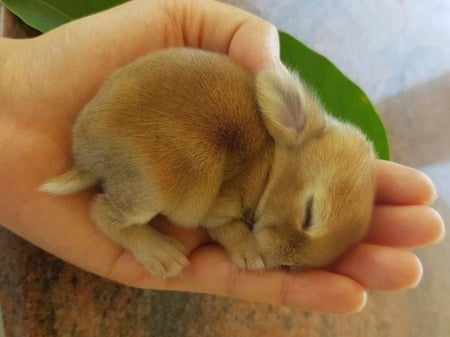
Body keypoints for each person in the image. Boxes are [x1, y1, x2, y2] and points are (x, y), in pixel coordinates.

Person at [0, 0, 444, 314]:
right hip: (137, 134)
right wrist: (233, 233)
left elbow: (220, 214)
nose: (288, 253)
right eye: (307, 215)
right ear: (292, 122)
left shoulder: (271, 162)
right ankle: (116, 219)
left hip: (151, 126)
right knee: (156, 188)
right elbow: (213, 210)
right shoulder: (263, 154)